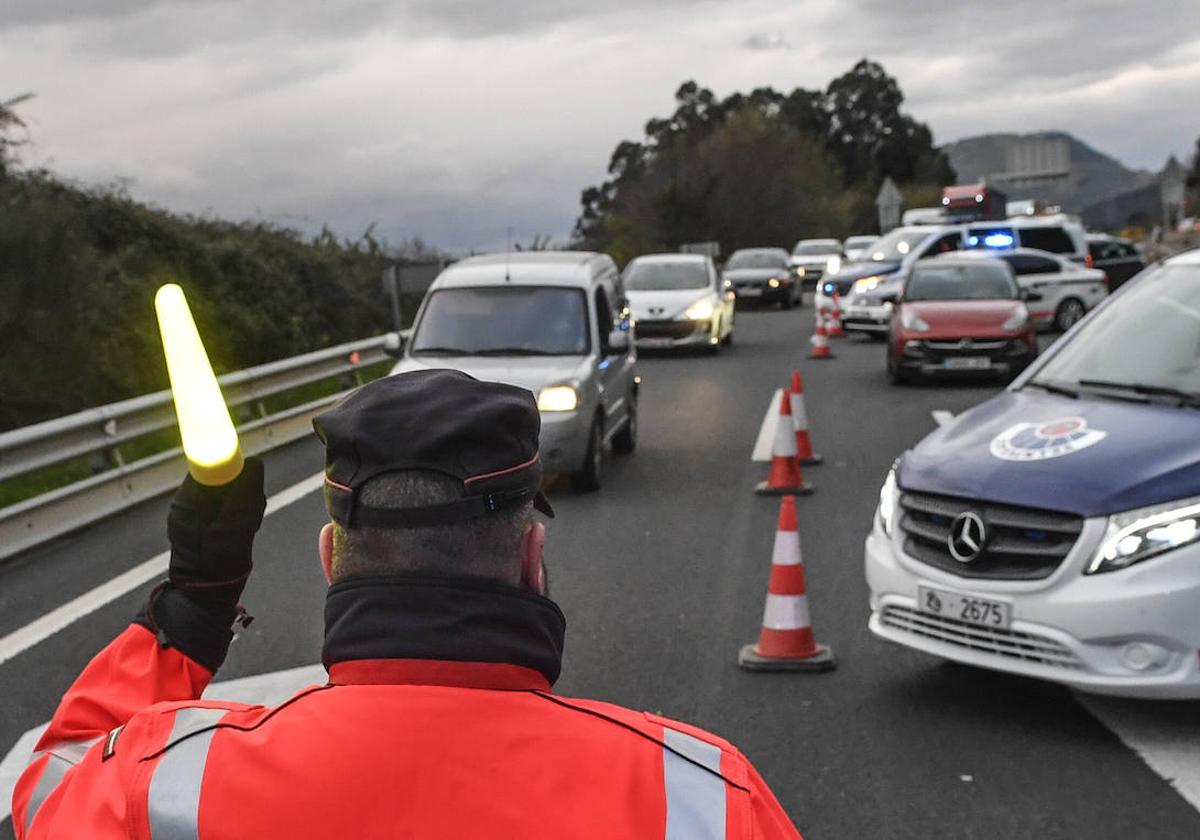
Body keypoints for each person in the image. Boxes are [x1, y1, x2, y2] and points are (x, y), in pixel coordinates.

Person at [13, 369, 802, 839]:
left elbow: (48, 789)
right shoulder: (701, 797)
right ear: (533, 561)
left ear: (332, 563)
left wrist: (188, 611)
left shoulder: (162, 785)